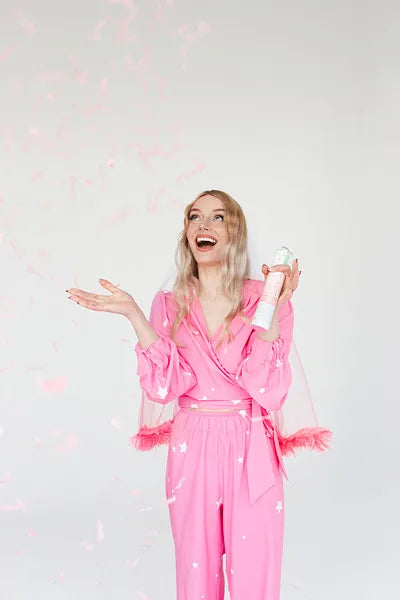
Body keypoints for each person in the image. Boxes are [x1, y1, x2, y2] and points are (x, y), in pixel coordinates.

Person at [65, 189, 322, 600]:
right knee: (195, 568)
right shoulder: (170, 304)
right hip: (192, 443)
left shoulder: (263, 297)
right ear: (187, 231)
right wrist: (134, 314)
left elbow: (267, 387)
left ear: (234, 232)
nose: (203, 224)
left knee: (256, 569)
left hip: (251, 443)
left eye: (218, 217)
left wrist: (274, 306)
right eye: (194, 216)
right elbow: (166, 386)